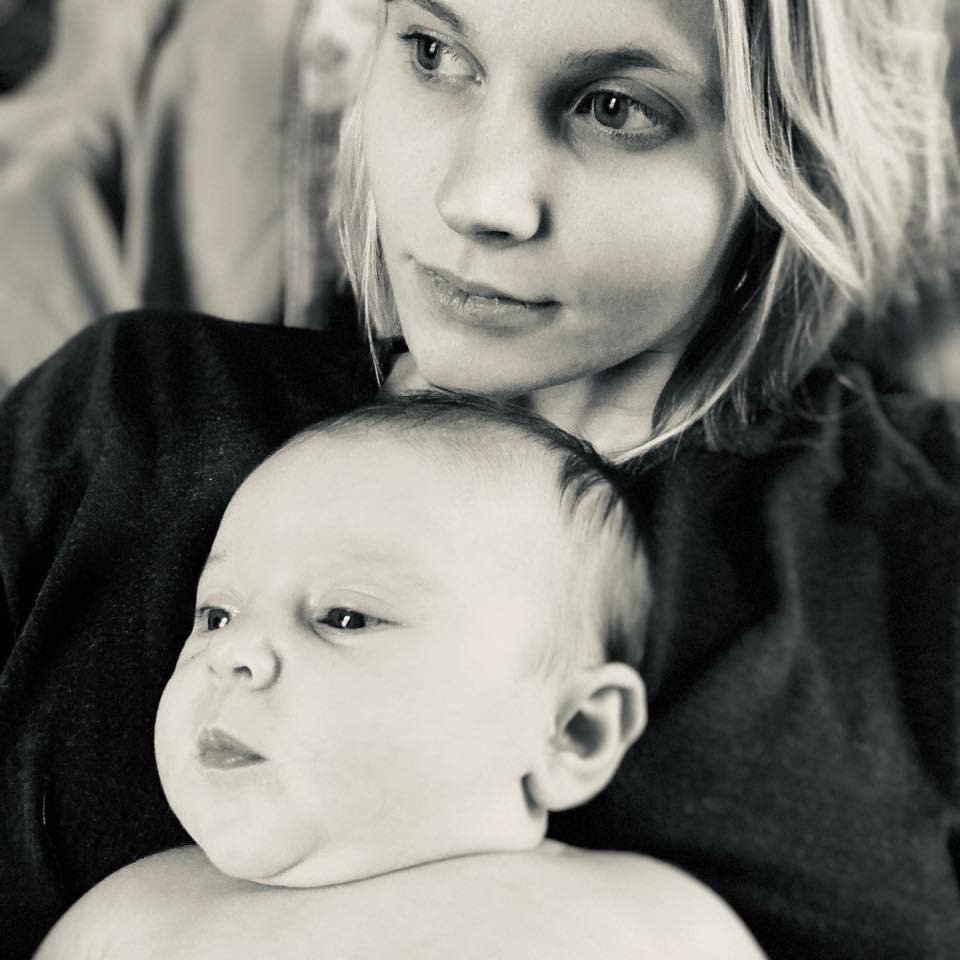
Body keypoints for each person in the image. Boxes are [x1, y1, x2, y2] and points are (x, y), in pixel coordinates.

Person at [0, 0, 957, 957]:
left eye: (615, 108)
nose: (479, 200)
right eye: (434, 53)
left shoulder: (921, 540)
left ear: (790, 152)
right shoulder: (124, 420)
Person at [33, 395, 764, 959]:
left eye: (344, 617)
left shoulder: (641, 929)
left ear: (573, 732)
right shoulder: (129, 919)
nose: (233, 654)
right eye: (216, 614)